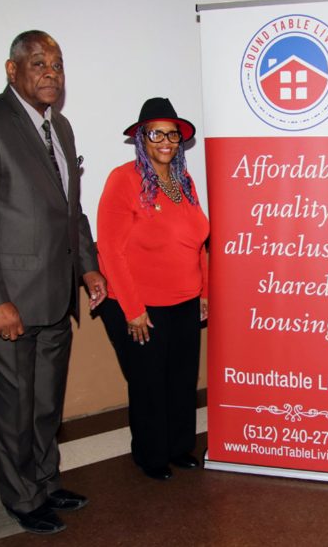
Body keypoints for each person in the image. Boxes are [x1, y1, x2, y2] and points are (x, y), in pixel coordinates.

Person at [0, 30, 107, 535]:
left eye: (57, 64)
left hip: (55, 295)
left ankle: (44, 479)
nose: (50, 72)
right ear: (11, 70)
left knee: (43, 404)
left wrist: (88, 265)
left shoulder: (60, 129)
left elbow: (69, 210)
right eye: (38, 62)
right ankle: (21, 498)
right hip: (7, 300)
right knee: (11, 408)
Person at [97, 98, 209, 482]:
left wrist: (204, 292)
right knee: (148, 384)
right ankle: (150, 454)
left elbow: (198, 242)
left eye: (172, 133)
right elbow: (109, 250)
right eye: (155, 133)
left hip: (184, 301)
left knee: (181, 379)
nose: (165, 141)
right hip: (140, 305)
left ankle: (179, 447)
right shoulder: (122, 179)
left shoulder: (185, 182)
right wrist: (132, 308)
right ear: (140, 138)